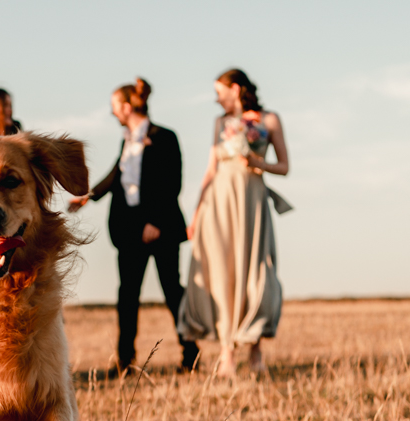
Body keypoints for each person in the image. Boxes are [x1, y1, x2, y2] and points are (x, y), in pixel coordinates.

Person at [70, 78, 198, 374]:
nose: (113, 113)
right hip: (128, 228)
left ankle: (190, 354)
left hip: (160, 227)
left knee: (172, 292)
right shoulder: (126, 141)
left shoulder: (165, 136)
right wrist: (88, 196)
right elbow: (116, 174)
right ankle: (125, 361)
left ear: (127, 107)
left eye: (115, 107)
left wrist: (155, 222)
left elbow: (172, 183)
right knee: (127, 295)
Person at [178, 69, 291, 376]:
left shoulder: (269, 120)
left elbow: (284, 166)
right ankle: (227, 350)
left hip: (251, 200)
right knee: (222, 271)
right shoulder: (219, 123)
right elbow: (210, 169)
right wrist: (197, 213)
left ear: (236, 89)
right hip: (219, 203)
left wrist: (257, 163)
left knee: (256, 269)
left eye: (220, 91)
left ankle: (255, 348)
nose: (216, 98)